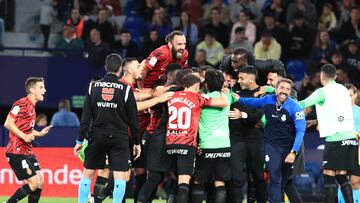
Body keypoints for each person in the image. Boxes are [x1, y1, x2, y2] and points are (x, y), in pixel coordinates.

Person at [73, 54, 141, 203]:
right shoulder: (126, 89)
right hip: (119, 137)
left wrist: (79, 140)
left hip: (97, 135)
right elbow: (133, 120)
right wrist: (137, 142)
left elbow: (85, 118)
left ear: (105, 67)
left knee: (88, 174)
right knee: (119, 176)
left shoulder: (93, 86)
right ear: (120, 69)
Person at [233, 78, 306, 203]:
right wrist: (239, 99)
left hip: (289, 148)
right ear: (276, 89)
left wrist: (293, 152)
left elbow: (300, 132)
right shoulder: (268, 100)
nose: (284, 91)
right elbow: (254, 102)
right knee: (275, 178)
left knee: (283, 183)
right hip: (271, 146)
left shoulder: (295, 107)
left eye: (287, 89)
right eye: (282, 88)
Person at [166, 73, 229, 203]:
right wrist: (221, 91)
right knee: (184, 183)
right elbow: (224, 102)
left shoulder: (171, 95)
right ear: (196, 86)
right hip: (186, 143)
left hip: (170, 143)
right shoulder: (197, 97)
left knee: (174, 181)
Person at [299, 64, 356, 203]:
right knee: (342, 176)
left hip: (335, 138)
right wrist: (315, 121)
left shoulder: (322, 92)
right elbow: (335, 112)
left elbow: (303, 103)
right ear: (336, 76)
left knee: (329, 174)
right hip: (349, 137)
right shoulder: (343, 89)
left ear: (321, 77)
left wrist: (282, 103)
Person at [4, 77, 52, 203]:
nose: (45, 90)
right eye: (41, 87)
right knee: (34, 182)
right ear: (32, 89)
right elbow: (8, 123)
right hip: (16, 151)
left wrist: (39, 133)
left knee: (40, 181)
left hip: (27, 151)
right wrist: (24, 136)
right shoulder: (21, 103)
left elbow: (26, 129)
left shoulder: (32, 107)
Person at [192, 69, 235, 203]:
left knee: (198, 181)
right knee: (219, 183)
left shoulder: (201, 99)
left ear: (206, 84)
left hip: (206, 146)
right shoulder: (227, 97)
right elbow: (234, 95)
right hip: (223, 146)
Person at [228, 65, 267, 203]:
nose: (239, 81)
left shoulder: (264, 94)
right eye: (238, 78)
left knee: (257, 177)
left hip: (255, 139)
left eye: (242, 78)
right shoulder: (235, 90)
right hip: (236, 138)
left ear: (251, 78)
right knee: (235, 177)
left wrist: (242, 115)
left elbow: (258, 115)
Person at [344, 83, 360, 202]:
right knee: (342, 181)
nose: (348, 98)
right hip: (341, 149)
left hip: (357, 151)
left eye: (350, 95)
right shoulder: (338, 113)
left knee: (355, 182)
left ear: (355, 95)